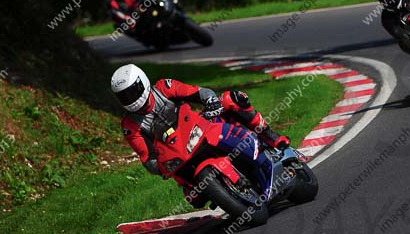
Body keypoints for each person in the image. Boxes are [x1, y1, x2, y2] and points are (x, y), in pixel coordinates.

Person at [110, 65, 289, 204]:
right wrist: (160, 166)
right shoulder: (130, 125)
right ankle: (225, 191)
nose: (130, 98)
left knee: (231, 99)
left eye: (132, 92)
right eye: (124, 96)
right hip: (178, 156)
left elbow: (199, 92)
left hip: (200, 128)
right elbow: (147, 157)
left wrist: (209, 100)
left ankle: (269, 136)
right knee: (193, 197)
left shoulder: (164, 88)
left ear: (142, 81)